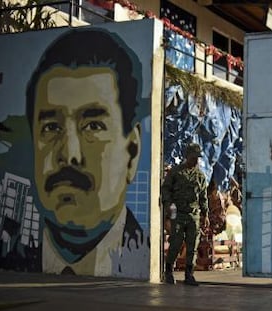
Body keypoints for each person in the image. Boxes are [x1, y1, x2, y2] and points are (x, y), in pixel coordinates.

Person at [25, 28, 148, 277]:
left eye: (93, 126)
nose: (69, 154)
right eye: (51, 127)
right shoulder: (13, 249)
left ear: (132, 151)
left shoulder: (142, 255)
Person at [161, 143, 210, 285]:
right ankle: (168, 271)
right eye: (193, 157)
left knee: (192, 246)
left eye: (197, 158)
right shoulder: (176, 172)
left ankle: (189, 275)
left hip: (193, 215)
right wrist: (169, 204)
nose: (196, 160)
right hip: (178, 214)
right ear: (187, 156)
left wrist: (205, 214)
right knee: (175, 243)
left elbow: (203, 196)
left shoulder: (200, 176)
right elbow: (166, 189)